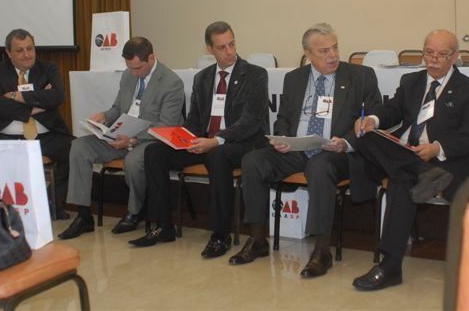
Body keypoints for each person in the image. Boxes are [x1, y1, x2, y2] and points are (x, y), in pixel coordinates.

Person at [228, 23, 382, 278]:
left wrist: (346, 142)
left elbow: (372, 116)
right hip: (297, 148)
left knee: (319, 166)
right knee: (253, 160)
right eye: (324, 51)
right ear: (308, 54)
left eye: (335, 48)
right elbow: (283, 118)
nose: (333, 55)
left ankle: (322, 250)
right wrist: (283, 138)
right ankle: (257, 239)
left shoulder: (361, 76)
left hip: (337, 151)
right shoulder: (294, 78)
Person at [351, 29, 469, 291]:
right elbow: (392, 110)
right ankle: (420, 171)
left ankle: (390, 267)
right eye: (429, 52)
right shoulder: (411, 81)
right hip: (406, 153)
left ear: (455, 57)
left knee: (402, 181)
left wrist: (437, 148)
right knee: (364, 136)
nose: (433, 59)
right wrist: (373, 120)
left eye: (442, 54)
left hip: (445, 162)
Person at [129, 22, 270, 258]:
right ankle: (162, 226)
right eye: (222, 47)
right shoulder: (203, 78)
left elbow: (251, 122)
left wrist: (217, 140)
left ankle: (220, 234)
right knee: (154, 152)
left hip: (241, 143)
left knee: (217, 155)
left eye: (232, 44)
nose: (229, 51)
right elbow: (194, 121)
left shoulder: (255, 75)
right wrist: (179, 138)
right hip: (206, 142)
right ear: (209, 49)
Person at [59, 37, 185, 239]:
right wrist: (104, 117)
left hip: (150, 140)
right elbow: (118, 108)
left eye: (138, 68)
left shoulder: (171, 82)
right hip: (121, 135)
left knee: (133, 162)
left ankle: (135, 212)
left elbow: (167, 125)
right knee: (79, 147)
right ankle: (83, 215)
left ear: (151, 58)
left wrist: (133, 140)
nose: (134, 73)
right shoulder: (128, 75)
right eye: (130, 68)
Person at [0, 29, 74, 218]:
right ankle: (2, 209)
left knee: (76, 150)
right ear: (8, 53)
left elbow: (57, 96)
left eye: (30, 48)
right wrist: (34, 107)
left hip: (46, 136)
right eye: (20, 50)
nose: (27, 54)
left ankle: (51, 203)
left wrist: (16, 96)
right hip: (5, 137)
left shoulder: (48, 68)